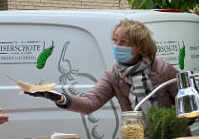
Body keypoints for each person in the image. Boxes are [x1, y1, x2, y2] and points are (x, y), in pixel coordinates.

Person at [27, 18, 179, 113]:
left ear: (141, 47)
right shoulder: (113, 75)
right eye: (115, 40)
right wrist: (59, 98)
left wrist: (182, 120)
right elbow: (90, 103)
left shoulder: (163, 70)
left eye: (124, 42)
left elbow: (185, 101)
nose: (117, 45)